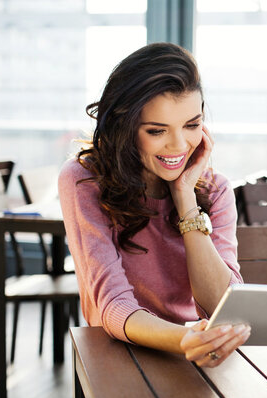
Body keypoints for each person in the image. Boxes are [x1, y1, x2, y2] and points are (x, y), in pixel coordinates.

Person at [58, 42, 249, 367]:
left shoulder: (215, 189)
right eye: (157, 130)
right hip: (115, 356)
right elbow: (112, 305)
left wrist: (184, 195)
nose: (179, 145)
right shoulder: (83, 180)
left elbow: (223, 305)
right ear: (125, 126)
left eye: (192, 125)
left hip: (195, 353)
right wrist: (184, 340)